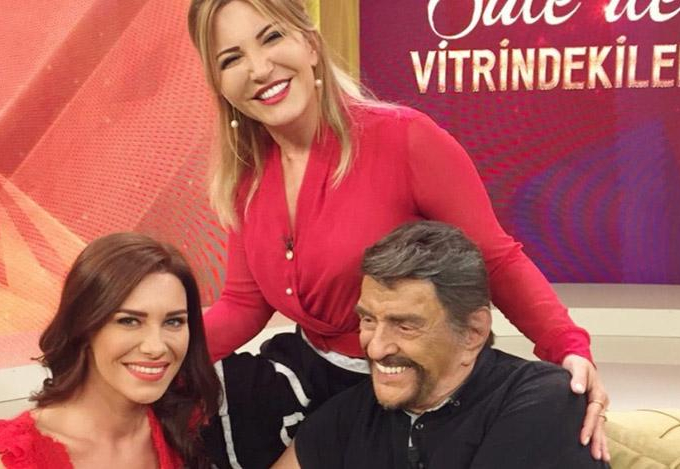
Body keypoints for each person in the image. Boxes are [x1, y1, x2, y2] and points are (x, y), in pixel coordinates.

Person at [187, 0, 609, 466]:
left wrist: (567, 346)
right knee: (187, 407)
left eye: (271, 38)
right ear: (218, 84)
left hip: (405, 376)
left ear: (310, 45)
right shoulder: (244, 178)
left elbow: (494, 258)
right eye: (231, 59)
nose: (259, 69)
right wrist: (165, 351)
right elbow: (243, 304)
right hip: (309, 375)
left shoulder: (405, 138)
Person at [275, 221, 610, 469]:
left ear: (473, 332)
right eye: (368, 320)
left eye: (405, 326)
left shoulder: (542, 399)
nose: (376, 349)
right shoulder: (347, 416)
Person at [0, 233, 221, 469]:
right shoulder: (7, 461)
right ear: (84, 326)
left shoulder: (189, 425)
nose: (156, 347)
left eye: (173, 321)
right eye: (129, 321)